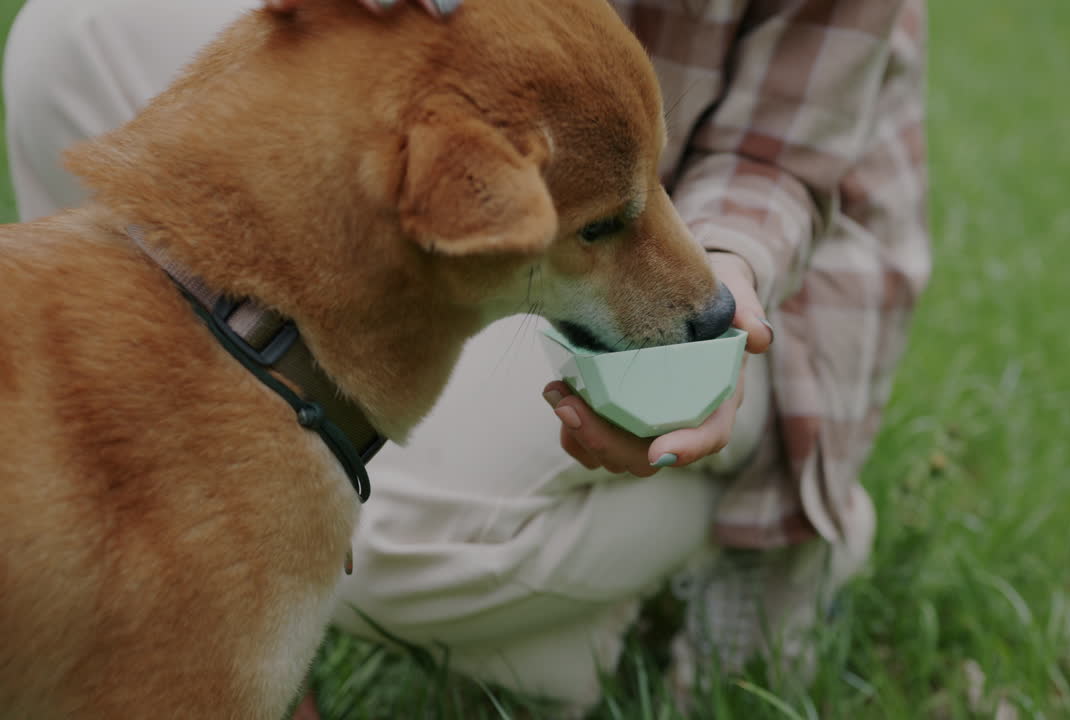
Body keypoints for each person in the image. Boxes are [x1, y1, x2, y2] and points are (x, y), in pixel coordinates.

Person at [3, 0, 929, 715]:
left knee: (392, 542)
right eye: (609, 228)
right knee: (73, 28)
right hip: (486, 182)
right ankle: (157, 495)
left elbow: (774, 168)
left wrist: (722, 282)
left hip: (778, 262)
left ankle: (762, 524)